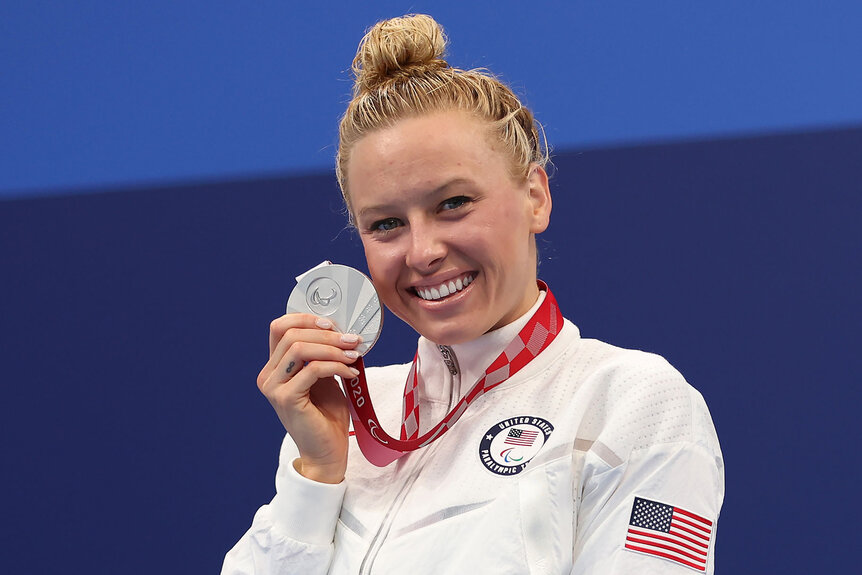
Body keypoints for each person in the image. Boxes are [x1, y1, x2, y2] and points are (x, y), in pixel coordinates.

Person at [223, 14, 724, 575]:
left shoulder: (634, 404)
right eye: (385, 224)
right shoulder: (335, 430)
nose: (421, 251)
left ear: (535, 196)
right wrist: (316, 475)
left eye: (453, 203)